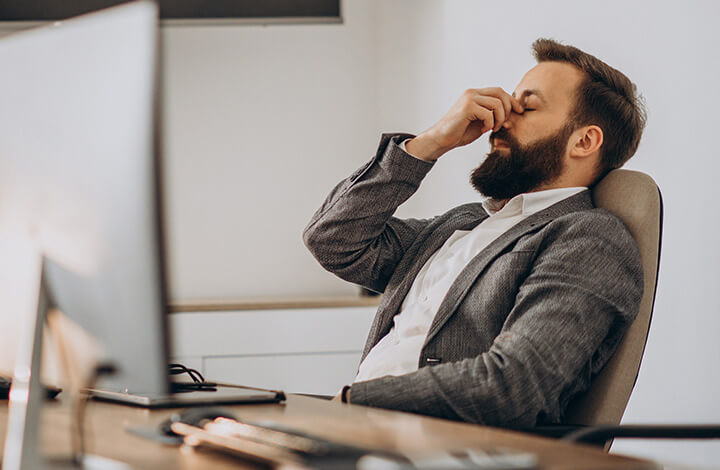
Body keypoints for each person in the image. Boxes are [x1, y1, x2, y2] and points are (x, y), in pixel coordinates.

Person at [303, 38, 647, 428]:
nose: (499, 120)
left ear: (584, 140)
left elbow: (514, 385)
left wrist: (357, 401)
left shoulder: (588, 240)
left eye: (527, 107)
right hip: (364, 431)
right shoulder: (460, 224)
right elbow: (332, 239)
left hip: (444, 447)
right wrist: (429, 143)